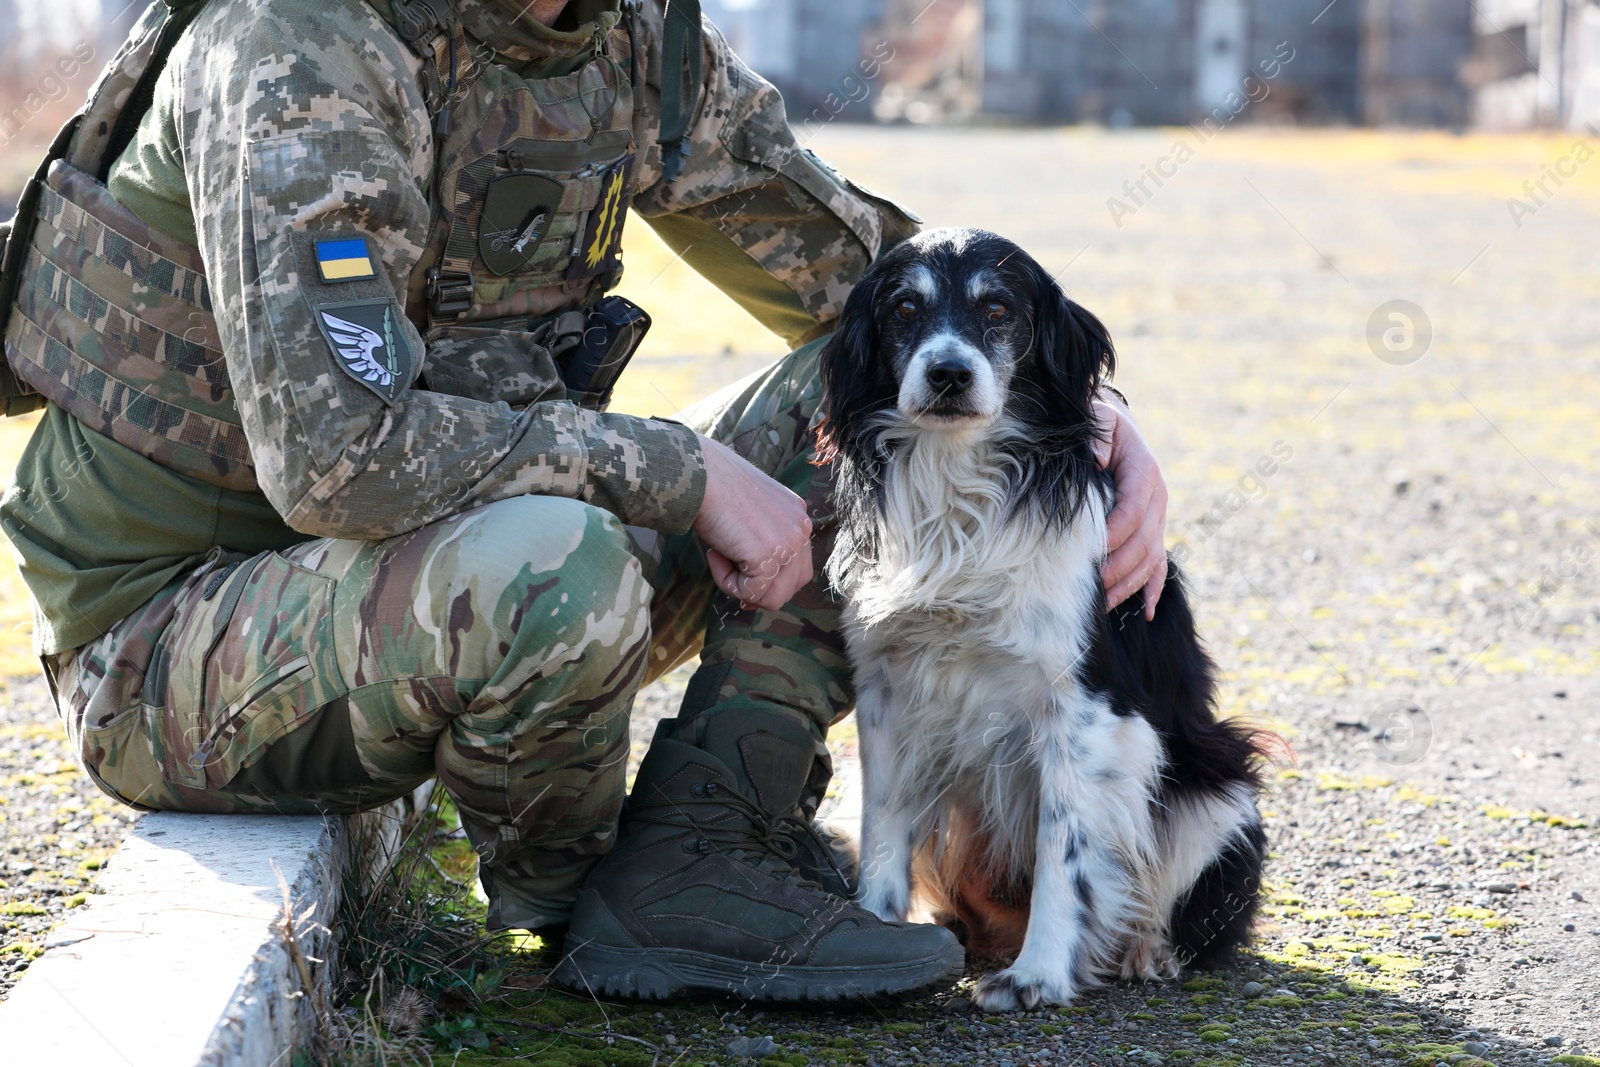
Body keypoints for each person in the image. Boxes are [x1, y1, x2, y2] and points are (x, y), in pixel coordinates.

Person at [0, 0, 1169, 999]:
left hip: (413, 571)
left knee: (857, 399)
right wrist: (681, 471)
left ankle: (710, 841)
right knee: (561, 561)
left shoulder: (620, 36)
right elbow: (335, 458)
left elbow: (857, 275)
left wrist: (1098, 416)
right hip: (174, 645)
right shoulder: (300, 47)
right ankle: (580, 892)